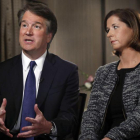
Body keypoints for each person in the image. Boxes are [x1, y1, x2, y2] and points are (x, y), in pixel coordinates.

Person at [0, 1, 79, 140]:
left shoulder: (67, 71)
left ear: (49, 36)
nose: (28, 32)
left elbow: (69, 119)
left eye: (36, 26)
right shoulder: (3, 70)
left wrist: (49, 126)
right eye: (24, 25)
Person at [79, 8, 140, 140]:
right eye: (108, 30)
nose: (109, 34)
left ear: (133, 29)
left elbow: (138, 118)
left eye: (115, 27)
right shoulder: (104, 72)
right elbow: (92, 115)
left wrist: (110, 138)